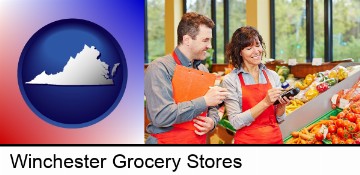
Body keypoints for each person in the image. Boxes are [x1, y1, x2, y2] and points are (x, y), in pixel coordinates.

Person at [144, 12, 228, 144]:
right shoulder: (159, 68)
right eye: (205, 40)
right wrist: (204, 101)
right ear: (187, 40)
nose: (210, 46)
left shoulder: (202, 70)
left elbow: (212, 107)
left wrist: (212, 122)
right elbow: (161, 116)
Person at [221, 26, 291, 144]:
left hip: (275, 139)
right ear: (239, 52)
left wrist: (281, 106)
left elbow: (279, 118)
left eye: (258, 45)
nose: (256, 51)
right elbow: (235, 122)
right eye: (249, 48)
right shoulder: (230, 80)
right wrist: (265, 102)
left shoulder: (272, 75)